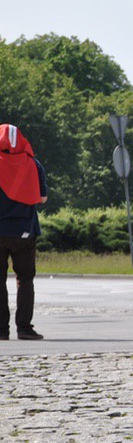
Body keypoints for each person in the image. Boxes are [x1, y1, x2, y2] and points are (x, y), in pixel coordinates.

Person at [0, 124, 48, 340]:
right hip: (24, 231)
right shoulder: (33, 164)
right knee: (25, 279)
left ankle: (1, 331)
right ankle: (25, 328)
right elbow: (42, 198)